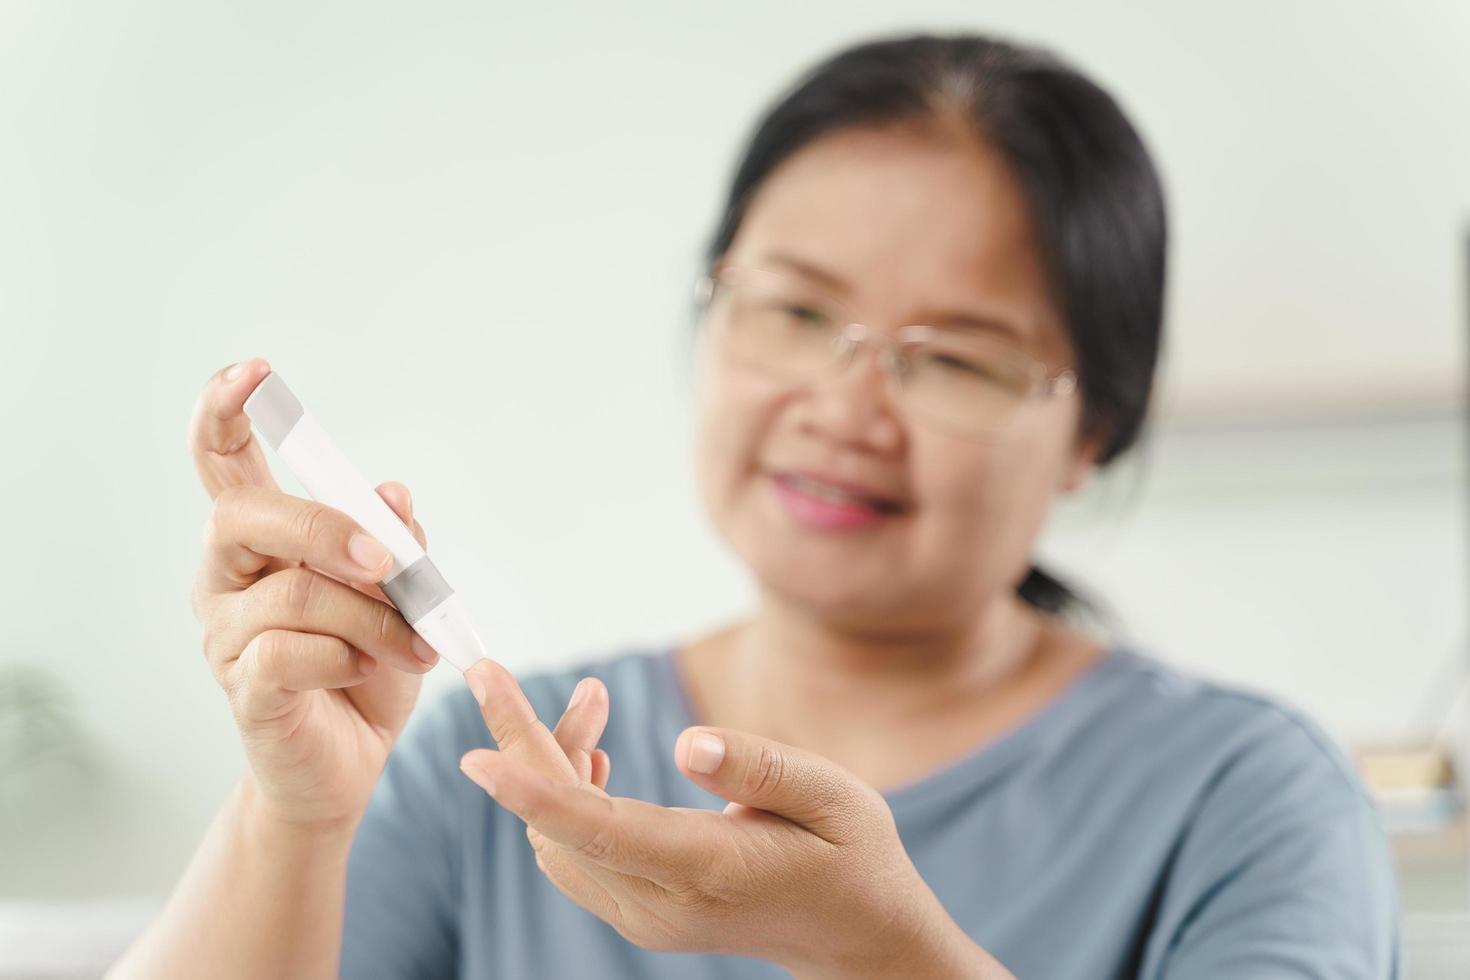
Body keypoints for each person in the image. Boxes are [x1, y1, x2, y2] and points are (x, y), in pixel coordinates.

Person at [111, 31, 1401, 979]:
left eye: (953, 356)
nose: (846, 409)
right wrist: (294, 818)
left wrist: (884, 954)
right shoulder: (486, 779)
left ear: (1093, 431)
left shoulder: (1253, 798)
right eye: (792, 311)